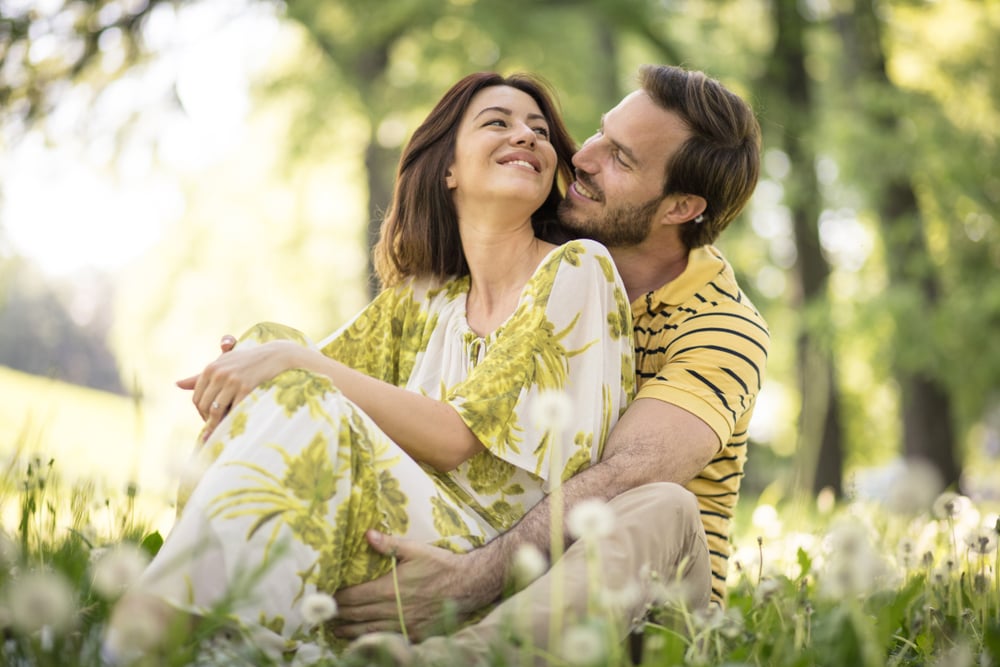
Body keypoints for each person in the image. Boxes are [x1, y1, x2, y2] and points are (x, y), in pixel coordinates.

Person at [104, 72, 635, 660]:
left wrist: (290, 362)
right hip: (394, 526)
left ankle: (157, 630)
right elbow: (305, 378)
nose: (528, 137)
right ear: (448, 170)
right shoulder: (424, 299)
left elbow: (456, 438)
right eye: (498, 123)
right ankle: (201, 627)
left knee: (299, 385)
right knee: (274, 362)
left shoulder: (578, 271)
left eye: (540, 131)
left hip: (480, 570)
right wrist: (260, 355)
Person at [329, 64, 769, 664]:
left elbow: (621, 479)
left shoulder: (720, 328)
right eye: (599, 133)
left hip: (645, 610)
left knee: (664, 503)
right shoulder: (538, 262)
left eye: (622, 158)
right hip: (495, 561)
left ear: (681, 206)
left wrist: (468, 579)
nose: (582, 157)